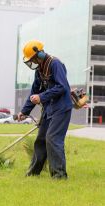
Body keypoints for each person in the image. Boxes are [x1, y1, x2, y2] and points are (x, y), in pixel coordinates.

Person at [17, 40, 73, 179]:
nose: (32, 62)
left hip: (61, 108)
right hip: (49, 109)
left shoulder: (55, 64)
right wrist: (25, 111)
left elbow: (62, 87)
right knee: (41, 139)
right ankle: (33, 173)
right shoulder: (40, 69)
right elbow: (34, 91)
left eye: (32, 59)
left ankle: (59, 176)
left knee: (53, 138)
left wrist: (41, 97)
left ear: (39, 54)